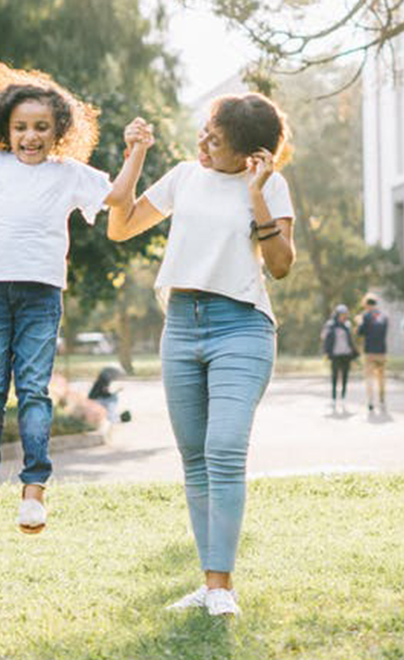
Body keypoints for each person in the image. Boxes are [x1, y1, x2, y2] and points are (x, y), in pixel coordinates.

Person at [104, 92, 296, 617]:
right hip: (182, 327)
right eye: (206, 132)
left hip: (242, 326)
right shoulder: (186, 176)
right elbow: (119, 228)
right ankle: (210, 585)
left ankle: (221, 588)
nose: (204, 144)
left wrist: (256, 194)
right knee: (195, 461)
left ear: (251, 154)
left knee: (225, 448)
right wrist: (136, 155)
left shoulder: (271, 184)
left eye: (218, 140)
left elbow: (280, 265)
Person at [0, 61, 112, 535]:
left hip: (41, 292)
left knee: (34, 390)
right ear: (5, 129)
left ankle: (34, 490)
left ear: (59, 131)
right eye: (20, 128)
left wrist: (136, 151)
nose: (30, 137)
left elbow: (117, 196)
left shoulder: (69, 173)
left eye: (41, 128)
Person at [357, 295, 390, 413]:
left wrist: (360, 322)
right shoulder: (384, 316)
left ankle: (371, 401)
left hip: (370, 351)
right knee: (381, 377)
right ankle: (382, 399)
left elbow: (360, 332)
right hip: (382, 351)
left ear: (366, 305)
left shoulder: (366, 316)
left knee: (369, 377)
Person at [321, 304, 357, 409]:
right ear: (337, 315)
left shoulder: (347, 325)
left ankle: (343, 397)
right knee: (335, 377)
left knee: (345, 376)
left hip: (346, 354)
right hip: (335, 355)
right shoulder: (330, 325)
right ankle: (333, 398)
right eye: (341, 314)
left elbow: (350, 340)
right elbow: (323, 336)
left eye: (345, 314)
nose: (343, 316)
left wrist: (354, 352)